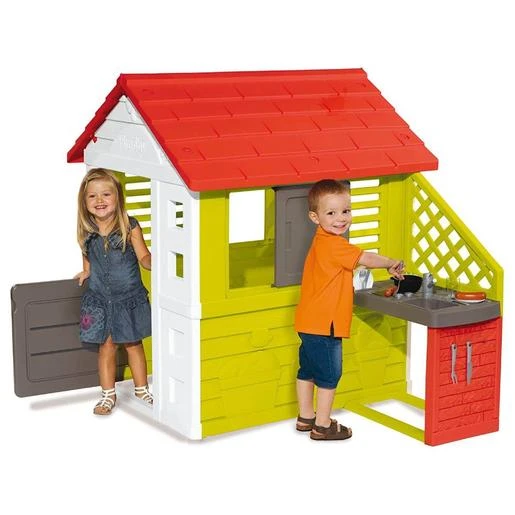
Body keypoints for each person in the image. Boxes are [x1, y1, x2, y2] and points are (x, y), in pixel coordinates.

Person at [294, 179, 404, 440]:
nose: (341, 218)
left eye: (346, 211)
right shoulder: (335, 244)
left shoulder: (321, 241)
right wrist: (390, 262)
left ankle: (305, 416)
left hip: (308, 322)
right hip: (326, 326)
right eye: (331, 213)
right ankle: (322, 426)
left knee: (307, 370)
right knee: (330, 375)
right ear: (315, 217)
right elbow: (366, 258)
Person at [75, 168, 153, 415]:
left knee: (133, 344)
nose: (99, 200)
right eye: (92, 196)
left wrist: (155, 262)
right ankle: (108, 395)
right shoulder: (87, 231)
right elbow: (87, 254)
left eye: (106, 194)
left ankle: (142, 389)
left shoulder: (129, 226)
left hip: (128, 297)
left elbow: (144, 256)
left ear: (117, 197)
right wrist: (86, 271)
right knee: (106, 346)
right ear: (84, 201)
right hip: (101, 299)